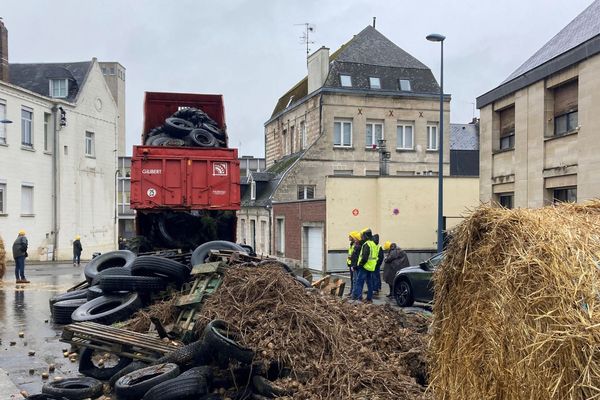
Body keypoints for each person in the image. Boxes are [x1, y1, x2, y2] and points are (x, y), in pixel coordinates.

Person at [352, 229, 378, 303]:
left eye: (363, 235)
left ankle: (358, 298)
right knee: (369, 283)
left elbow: (364, 257)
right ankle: (369, 298)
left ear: (366, 236)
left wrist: (360, 265)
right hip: (371, 267)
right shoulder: (373, 244)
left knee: (359, 282)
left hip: (365, 266)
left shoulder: (367, 244)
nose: (362, 237)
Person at [346, 231, 362, 297]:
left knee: (354, 279)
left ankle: (354, 293)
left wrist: (353, 264)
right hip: (351, 264)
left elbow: (355, 256)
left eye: (350, 236)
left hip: (353, 264)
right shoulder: (352, 244)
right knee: (352, 279)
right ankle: (351, 292)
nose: (349, 237)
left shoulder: (355, 245)